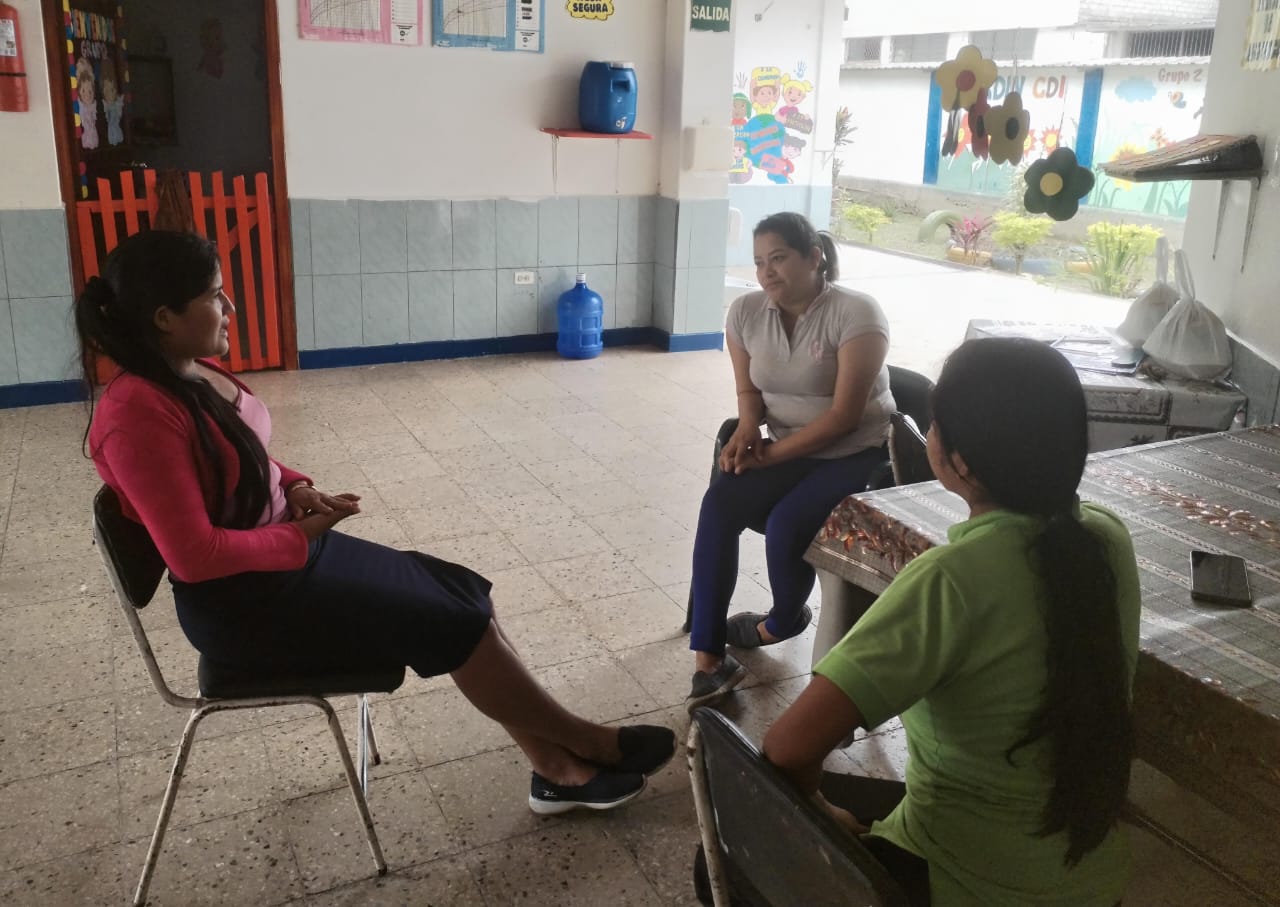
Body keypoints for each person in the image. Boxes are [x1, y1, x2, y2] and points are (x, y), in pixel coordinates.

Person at [77, 230, 674, 816]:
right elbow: (194, 556)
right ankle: (586, 747)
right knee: (455, 622)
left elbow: (242, 453)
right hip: (246, 606)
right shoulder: (137, 413)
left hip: (285, 563)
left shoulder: (186, 372)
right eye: (214, 295)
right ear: (165, 317)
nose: (229, 306)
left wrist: (294, 487)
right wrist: (297, 536)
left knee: (465, 595)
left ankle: (555, 765)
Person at [762, 337, 1141, 906]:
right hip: (1095, 885)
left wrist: (826, 814)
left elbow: (788, 749)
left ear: (959, 461)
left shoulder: (951, 579)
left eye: (935, 424)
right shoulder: (1107, 539)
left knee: (732, 840)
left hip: (960, 882)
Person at [687, 212, 893, 711]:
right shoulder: (745, 312)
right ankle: (709, 663)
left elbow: (844, 418)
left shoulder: (857, 313)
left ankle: (780, 623)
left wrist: (770, 455)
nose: (766, 272)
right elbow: (748, 391)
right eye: (759, 261)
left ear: (814, 258)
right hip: (784, 446)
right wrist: (746, 429)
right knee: (719, 505)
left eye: (778, 258)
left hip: (857, 454)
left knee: (787, 524)